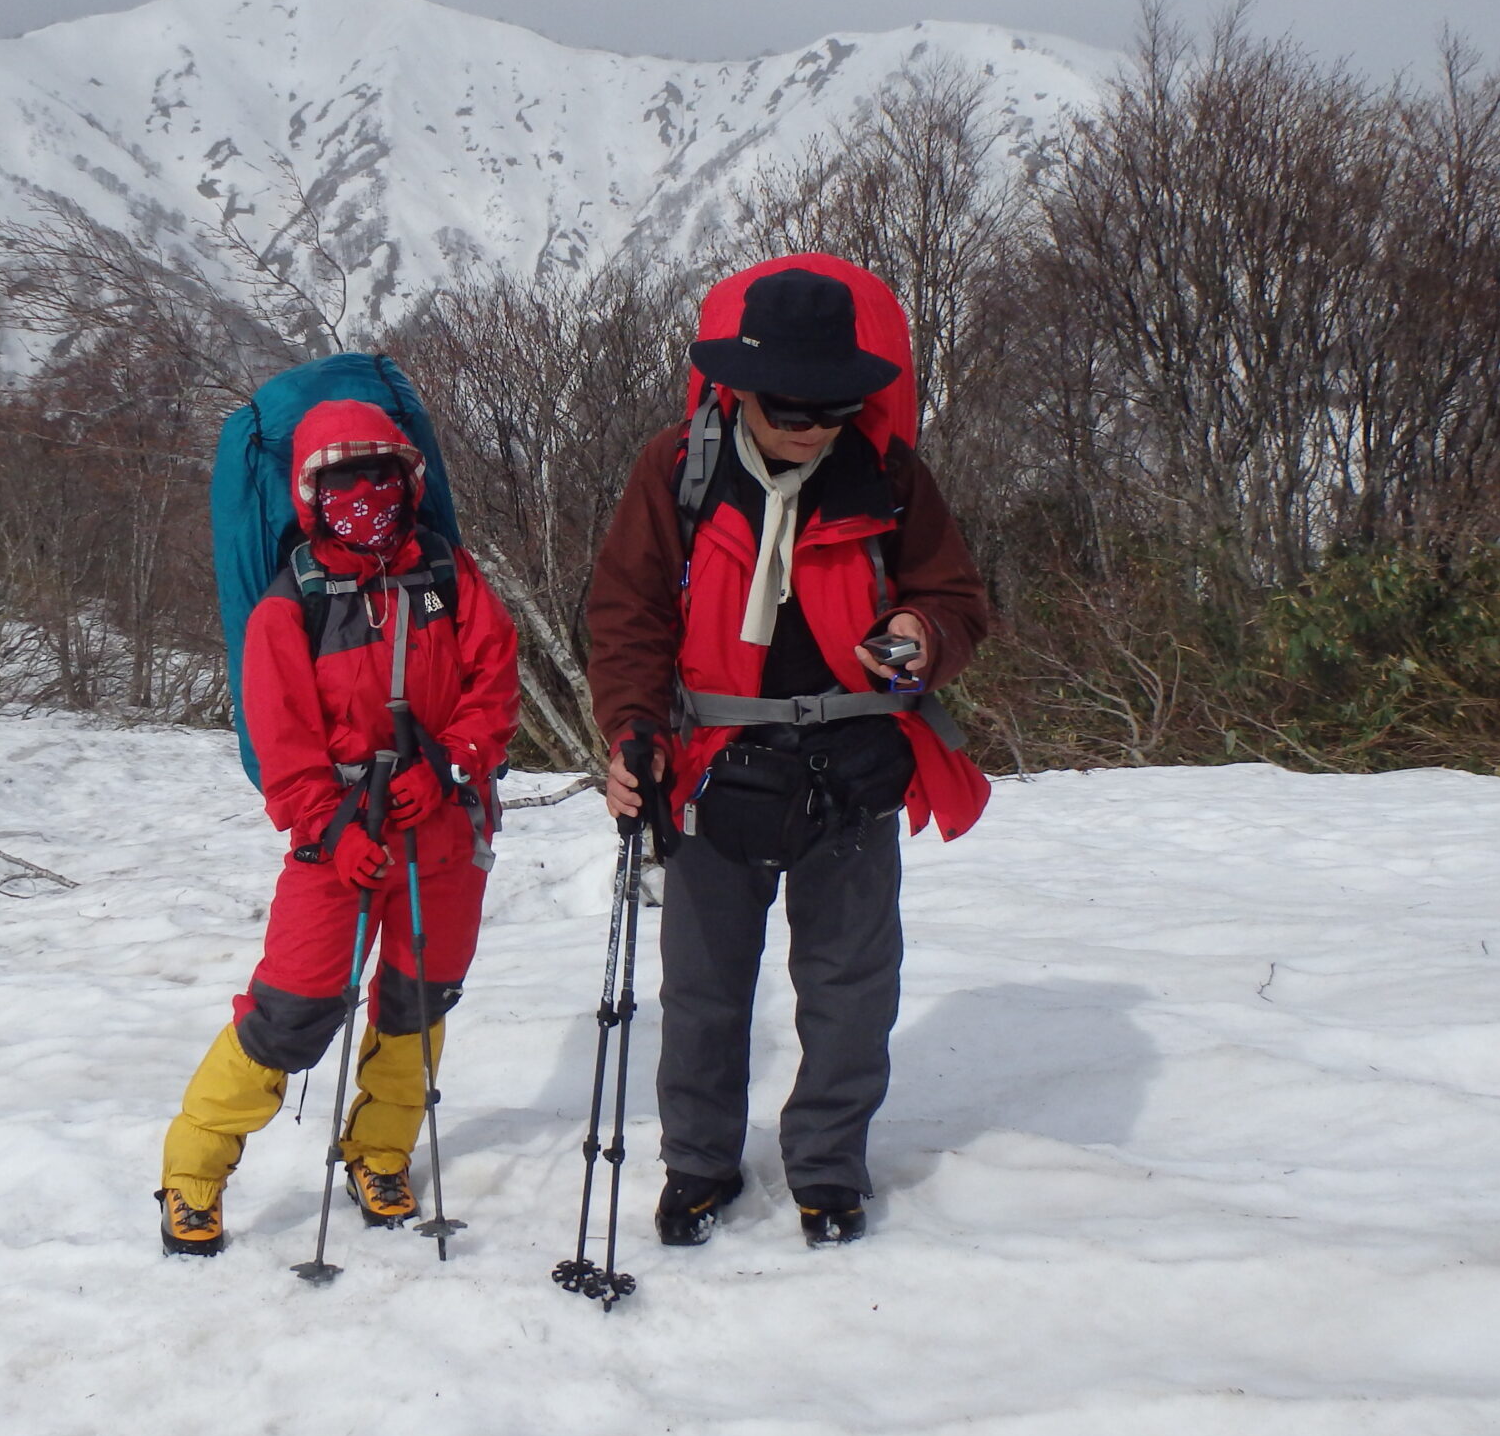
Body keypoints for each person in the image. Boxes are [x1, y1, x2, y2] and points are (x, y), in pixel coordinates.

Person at [584, 261, 990, 1248]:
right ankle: (699, 1165)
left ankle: (828, 1167)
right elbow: (628, 611)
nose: (815, 427)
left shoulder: (888, 472)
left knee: (851, 989)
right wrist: (633, 730)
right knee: (704, 990)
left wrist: (919, 633)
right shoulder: (676, 468)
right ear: (743, 391)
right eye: (794, 409)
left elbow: (954, 598)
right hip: (715, 763)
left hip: (854, 760)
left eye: (836, 406)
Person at [158, 396, 520, 1255]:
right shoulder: (291, 606)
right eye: (343, 482)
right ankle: (192, 1173)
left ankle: (380, 1156)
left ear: (408, 481)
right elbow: (283, 741)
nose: (364, 496)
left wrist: (451, 763)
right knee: (289, 1011)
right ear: (311, 494)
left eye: (379, 477)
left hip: (443, 832)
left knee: (417, 1004)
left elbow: (494, 682)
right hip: (341, 844)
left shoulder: (450, 575)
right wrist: (328, 828)